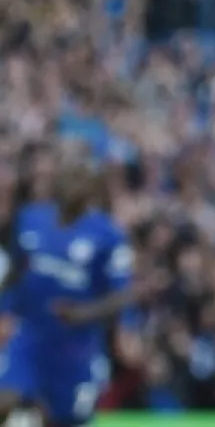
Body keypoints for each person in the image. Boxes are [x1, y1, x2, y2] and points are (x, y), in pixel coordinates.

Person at [0, 149, 135, 427]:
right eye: (66, 175)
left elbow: (123, 294)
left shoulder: (108, 235)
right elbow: (15, 271)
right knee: (6, 398)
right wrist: (4, 308)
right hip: (30, 336)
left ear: (92, 186)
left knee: (63, 420)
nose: (70, 183)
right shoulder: (30, 218)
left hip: (76, 348)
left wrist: (84, 313)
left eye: (79, 177)